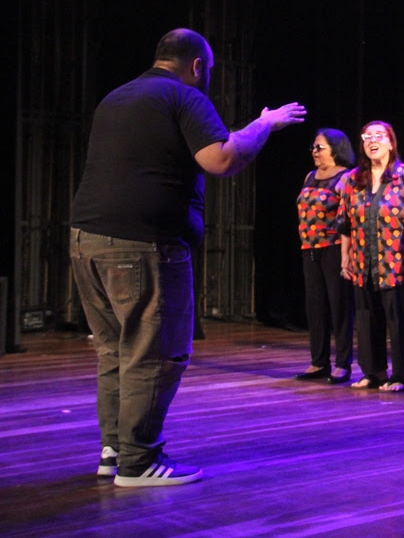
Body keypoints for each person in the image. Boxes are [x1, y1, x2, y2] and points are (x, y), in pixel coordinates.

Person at [69, 28, 306, 486]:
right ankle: (139, 462)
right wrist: (266, 125)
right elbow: (221, 160)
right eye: (210, 70)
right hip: (144, 246)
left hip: (87, 240)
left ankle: (115, 450)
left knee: (116, 351)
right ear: (197, 66)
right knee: (155, 353)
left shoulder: (118, 97)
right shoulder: (184, 96)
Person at [339, 121, 404, 392]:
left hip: (396, 260)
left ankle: (401, 374)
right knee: (366, 317)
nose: (372, 140)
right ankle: (373, 371)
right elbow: (345, 222)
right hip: (363, 260)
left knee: (398, 317)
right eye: (368, 136)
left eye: (379, 136)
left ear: (391, 142)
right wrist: (345, 256)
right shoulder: (354, 179)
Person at [294, 128, 357, 384]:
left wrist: (347, 253)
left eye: (319, 147)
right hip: (309, 249)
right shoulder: (310, 176)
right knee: (316, 306)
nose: (314, 152)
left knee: (339, 306)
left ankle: (342, 364)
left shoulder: (345, 178)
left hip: (333, 249)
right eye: (313, 147)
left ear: (336, 149)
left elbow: (349, 219)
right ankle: (318, 361)